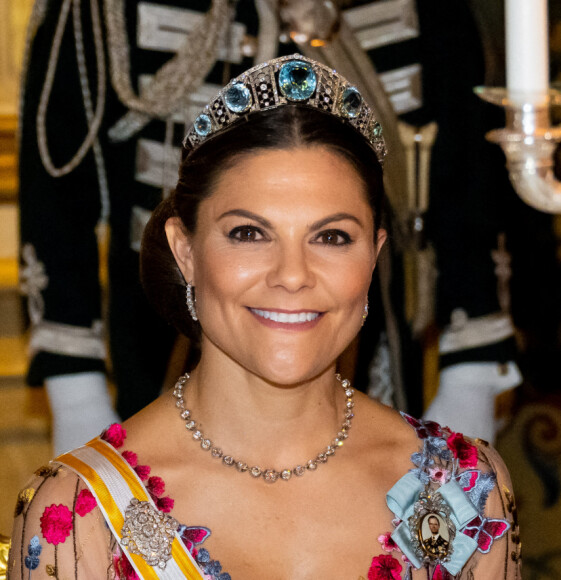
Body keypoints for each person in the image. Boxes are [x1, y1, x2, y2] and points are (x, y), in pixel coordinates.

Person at [8, 55, 520, 579]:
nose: (292, 275)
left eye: (332, 237)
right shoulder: (76, 514)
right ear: (185, 252)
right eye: (249, 234)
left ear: (374, 255)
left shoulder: (464, 488)